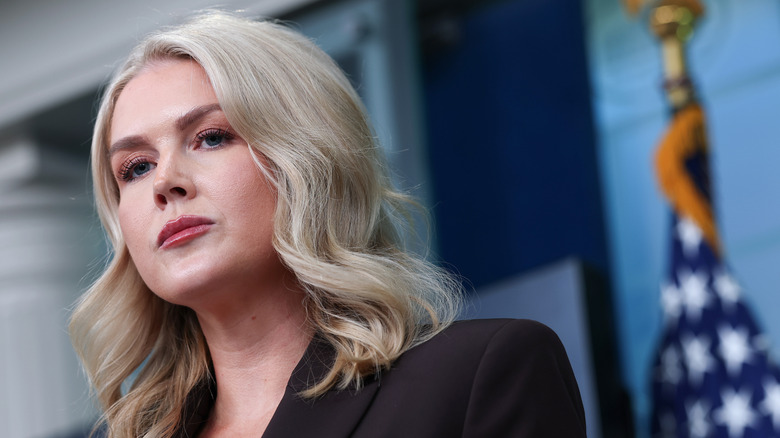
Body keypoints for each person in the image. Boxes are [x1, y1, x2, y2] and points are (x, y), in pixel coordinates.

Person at [69, 11, 586, 438]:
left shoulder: (480, 376)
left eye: (211, 137)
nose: (164, 182)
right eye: (135, 168)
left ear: (307, 159)